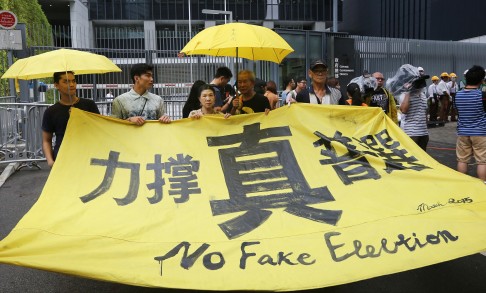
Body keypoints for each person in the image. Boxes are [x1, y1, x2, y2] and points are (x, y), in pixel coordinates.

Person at [42, 71, 100, 167]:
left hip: (88, 155)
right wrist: (50, 161)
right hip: (63, 158)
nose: (72, 84)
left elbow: (100, 128)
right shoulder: (51, 111)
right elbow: (46, 140)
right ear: (56, 85)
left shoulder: (89, 105)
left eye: (74, 81)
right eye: (66, 82)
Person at [454, 65, 486, 182]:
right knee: (482, 161)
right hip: (481, 132)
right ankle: (483, 186)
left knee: (462, 160)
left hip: (462, 132)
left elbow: (458, 111)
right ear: (481, 80)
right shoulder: (482, 96)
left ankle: (463, 185)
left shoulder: (457, 95)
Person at [399, 72, 430, 151]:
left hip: (423, 133)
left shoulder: (422, 95)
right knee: (412, 158)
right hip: (411, 133)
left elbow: (424, 112)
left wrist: (426, 128)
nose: (422, 83)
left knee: (423, 157)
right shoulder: (405, 95)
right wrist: (407, 92)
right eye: (420, 81)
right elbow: (404, 110)